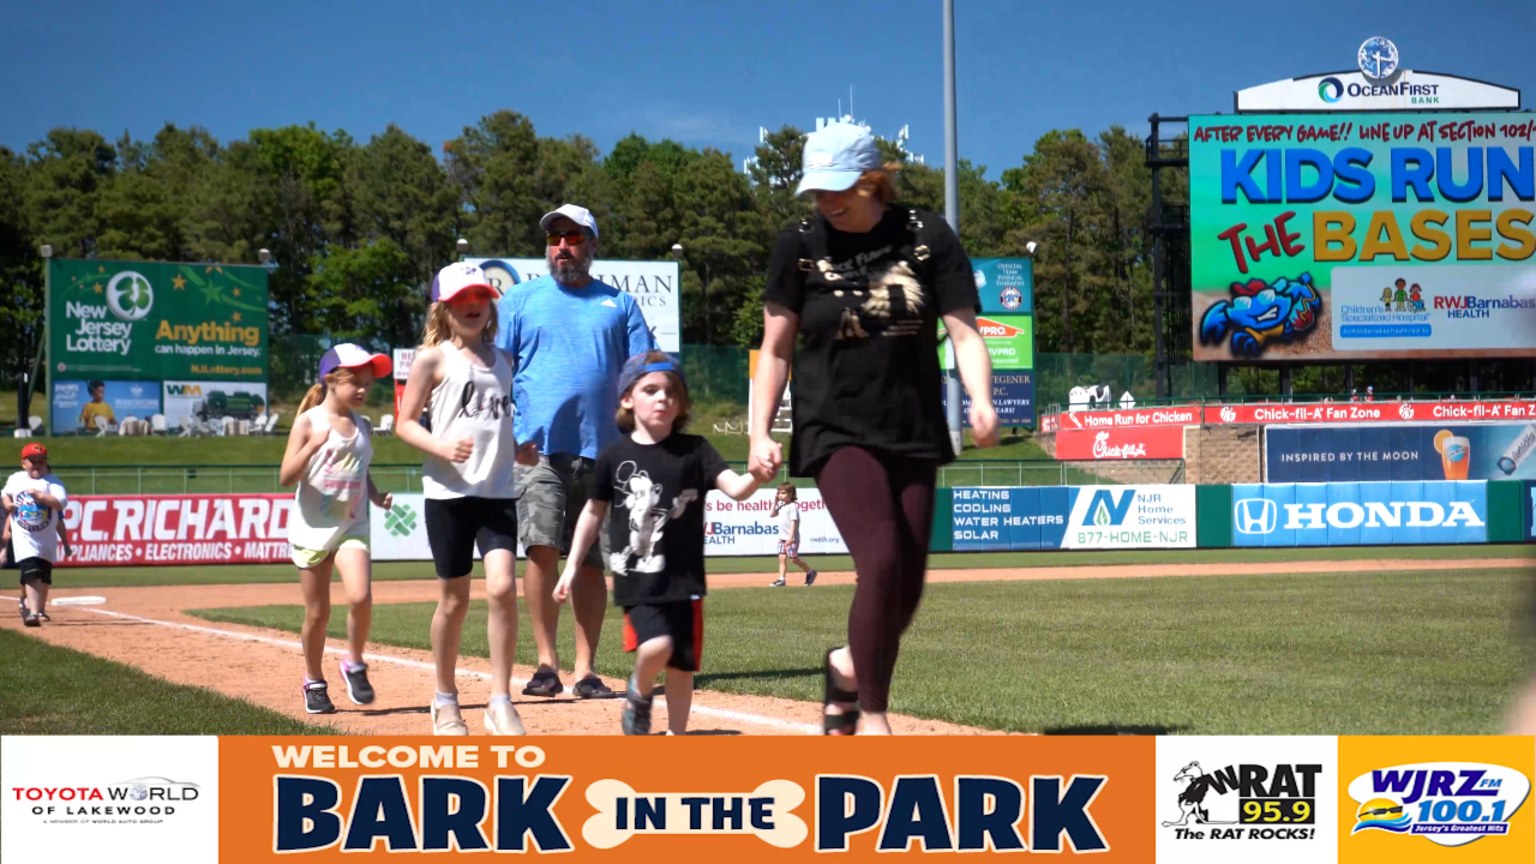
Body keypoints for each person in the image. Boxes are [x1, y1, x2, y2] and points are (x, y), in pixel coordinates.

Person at [749, 121, 998, 735]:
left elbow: (964, 332)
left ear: (873, 180)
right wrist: (760, 431)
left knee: (906, 585)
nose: (826, 201)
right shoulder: (798, 244)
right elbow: (775, 349)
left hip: (911, 425)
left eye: (840, 188)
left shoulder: (927, 236)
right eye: (816, 190)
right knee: (881, 560)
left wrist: (982, 399)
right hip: (834, 425)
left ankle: (844, 666)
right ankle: (874, 717)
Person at [554, 352, 761, 735]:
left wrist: (756, 474)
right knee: (656, 646)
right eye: (650, 390)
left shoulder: (697, 450)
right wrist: (570, 565)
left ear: (680, 403)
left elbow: (737, 490)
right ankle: (640, 688)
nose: (662, 397)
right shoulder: (615, 455)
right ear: (627, 399)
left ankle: (676, 736)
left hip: (686, 581)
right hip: (640, 579)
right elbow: (592, 513)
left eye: (671, 391)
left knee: (682, 667)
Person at [496, 203, 655, 700]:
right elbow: (498, 371)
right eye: (554, 238)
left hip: (606, 452)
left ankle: (587, 670)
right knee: (542, 550)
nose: (562, 246)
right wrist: (508, 434)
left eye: (573, 237)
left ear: (592, 245)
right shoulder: (520, 300)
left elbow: (643, 374)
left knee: (588, 563)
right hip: (536, 449)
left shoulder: (621, 305)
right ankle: (546, 664)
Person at [397, 262, 538, 735]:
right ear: (444, 307)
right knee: (454, 600)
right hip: (448, 495)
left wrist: (516, 448)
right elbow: (404, 422)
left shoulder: (504, 360)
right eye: (462, 298)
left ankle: (500, 701)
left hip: (496, 492)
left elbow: (496, 421)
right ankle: (444, 698)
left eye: (479, 295)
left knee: (502, 588)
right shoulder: (431, 359)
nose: (473, 304)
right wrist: (440, 446)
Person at [279, 343, 394, 715]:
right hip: (313, 529)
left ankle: (354, 662)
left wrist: (374, 495)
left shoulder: (364, 425)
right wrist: (312, 445)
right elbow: (286, 478)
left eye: (367, 383)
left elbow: (360, 467)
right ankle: (313, 680)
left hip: (352, 526)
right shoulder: (308, 422)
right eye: (355, 382)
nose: (363, 389)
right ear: (331, 380)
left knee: (360, 597)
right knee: (318, 614)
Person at [2, 443, 72, 626]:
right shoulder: (16, 479)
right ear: (23, 463)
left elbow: (61, 503)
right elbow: (5, 494)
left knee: (44, 576)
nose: (37, 465)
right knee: (32, 571)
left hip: (46, 539)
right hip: (24, 537)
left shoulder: (52, 482)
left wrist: (42, 497)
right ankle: (32, 612)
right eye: (32, 461)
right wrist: (8, 504)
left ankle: (39, 610)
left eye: (41, 461)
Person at [768, 482, 817, 588]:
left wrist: (790, 537)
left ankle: (810, 572)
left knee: (794, 559)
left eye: (783, 493)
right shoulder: (781, 506)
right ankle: (781, 579)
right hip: (782, 538)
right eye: (779, 493)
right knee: (781, 557)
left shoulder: (792, 506)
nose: (780, 495)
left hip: (791, 538)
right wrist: (775, 501)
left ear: (790, 494)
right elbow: (771, 514)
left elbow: (793, 522)